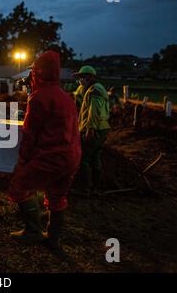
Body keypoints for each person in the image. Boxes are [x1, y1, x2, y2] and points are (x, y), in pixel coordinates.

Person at [9, 51, 81, 248]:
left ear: (37, 74)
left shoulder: (39, 98)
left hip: (52, 157)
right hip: (72, 157)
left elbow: (30, 134)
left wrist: (23, 163)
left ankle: (33, 231)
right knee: (57, 196)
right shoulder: (66, 97)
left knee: (19, 186)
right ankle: (53, 238)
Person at [74, 65, 110, 196]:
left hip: (95, 129)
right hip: (102, 128)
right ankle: (95, 188)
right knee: (95, 157)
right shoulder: (93, 89)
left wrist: (90, 128)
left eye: (82, 77)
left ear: (90, 77)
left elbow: (93, 111)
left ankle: (86, 188)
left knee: (84, 158)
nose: (80, 80)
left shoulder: (94, 90)